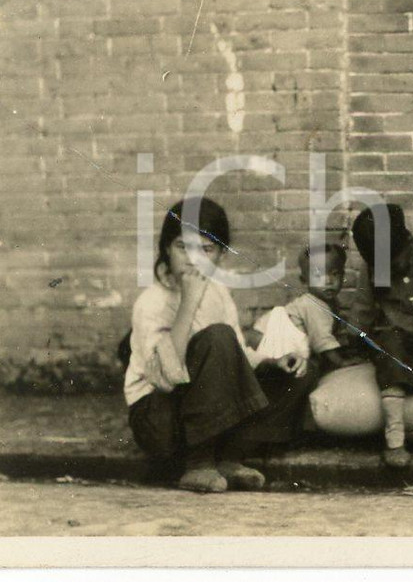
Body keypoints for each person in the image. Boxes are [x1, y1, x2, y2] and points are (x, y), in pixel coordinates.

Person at [124, 198, 317, 493]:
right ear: (165, 249)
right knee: (217, 337)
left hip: (200, 415)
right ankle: (198, 465)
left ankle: (228, 458)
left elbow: (237, 356)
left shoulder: (218, 293)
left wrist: (271, 362)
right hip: (159, 420)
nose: (194, 259)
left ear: (222, 256)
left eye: (207, 249)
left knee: (298, 372)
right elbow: (164, 378)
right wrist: (189, 302)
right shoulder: (151, 302)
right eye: (182, 247)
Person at [346, 204, 413, 468]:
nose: (392, 268)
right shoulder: (371, 269)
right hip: (406, 342)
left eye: (395, 261)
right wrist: (355, 345)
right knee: (390, 345)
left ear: (406, 240)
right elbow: (362, 310)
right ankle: (395, 438)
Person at [248, 244, 361, 372]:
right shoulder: (313, 304)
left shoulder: (330, 302)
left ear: (343, 275)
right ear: (304, 280)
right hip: (270, 335)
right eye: (318, 276)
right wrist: (341, 362)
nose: (328, 281)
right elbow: (322, 340)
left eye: (335, 274)